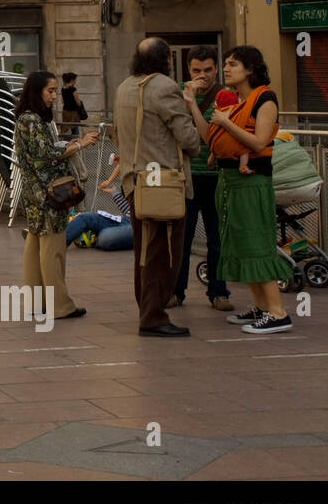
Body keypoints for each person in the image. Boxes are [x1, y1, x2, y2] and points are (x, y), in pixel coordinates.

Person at [184, 45, 293, 334]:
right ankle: (261, 306)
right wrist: (193, 104)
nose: (226, 68)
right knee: (241, 244)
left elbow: (258, 142)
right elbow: (210, 137)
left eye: (233, 64)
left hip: (252, 182)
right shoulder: (238, 101)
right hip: (230, 181)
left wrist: (225, 122)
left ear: (250, 69)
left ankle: (278, 312)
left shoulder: (265, 98)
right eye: (227, 63)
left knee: (256, 243)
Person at [114, 37, 203, 337]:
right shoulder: (165, 87)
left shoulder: (125, 86)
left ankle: (148, 309)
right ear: (166, 59)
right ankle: (153, 316)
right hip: (162, 184)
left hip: (135, 179)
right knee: (163, 251)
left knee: (145, 249)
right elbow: (189, 140)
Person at [14, 70, 97, 321]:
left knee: (36, 244)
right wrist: (79, 144)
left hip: (34, 191)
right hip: (49, 192)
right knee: (53, 248)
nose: (54, 96)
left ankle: (36, 303)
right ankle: (59, 305)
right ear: (36, 91)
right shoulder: (32, 120)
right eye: (50, 91)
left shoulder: (26, 118)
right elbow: (46, 155)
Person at [174, 47, 234, 312]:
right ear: (188, 69)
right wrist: (187, 99)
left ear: (216, 69)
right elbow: (177, 130)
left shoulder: (225, 96)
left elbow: (210, 136)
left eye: (208, 70)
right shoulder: (178, 91)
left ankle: (218, 291)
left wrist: (193, 105)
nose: (203, 76)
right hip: (187, 176)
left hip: (215, 177)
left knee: (216, 238)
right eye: (197, 70)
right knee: (182, 238)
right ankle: (176, 291)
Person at [67, 160, 132, 251]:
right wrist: (115, 193)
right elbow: (130, 211)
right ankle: (58, 245)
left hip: (138, 227)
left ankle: (97, 237)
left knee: (105, 236)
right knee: (85, 217)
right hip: (125, 220)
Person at [59, 71, 86, 136]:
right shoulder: (73, 89)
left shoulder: (63, 89)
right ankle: (76, 142)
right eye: (75, 80)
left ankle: (65, 142)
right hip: (73, 112)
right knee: (75, 130)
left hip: (65, 112)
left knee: (65, 129)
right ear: (72, 80)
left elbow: (62, 101)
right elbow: (78, 102)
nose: (75, 82)